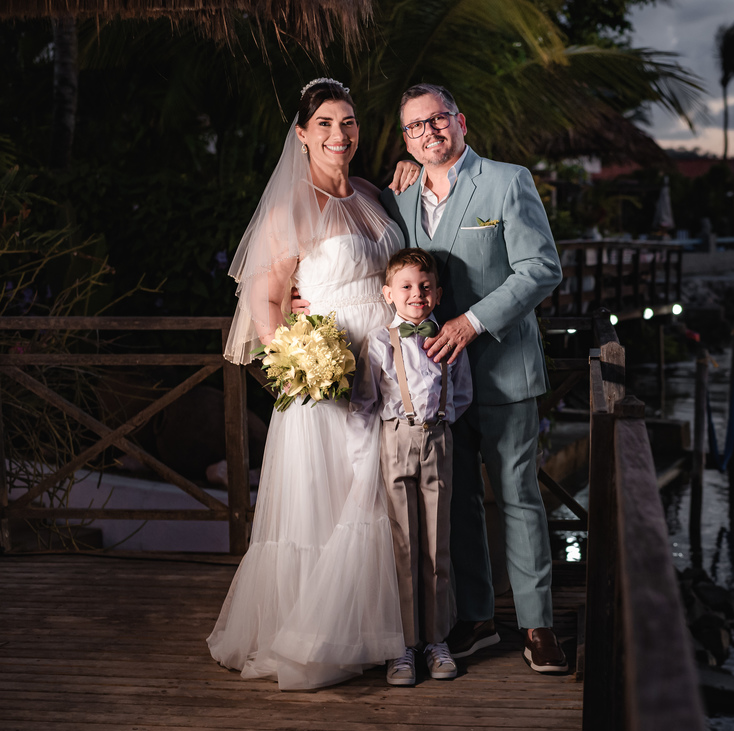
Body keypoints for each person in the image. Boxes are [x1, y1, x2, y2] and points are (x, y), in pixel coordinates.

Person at [208, 78, 418, 690]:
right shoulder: (289, 207)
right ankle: (318, 633)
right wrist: (305, 367)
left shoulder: (374, 196)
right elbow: (267, 306)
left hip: (387, 367)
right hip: (328, 375)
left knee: (379, 497)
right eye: (325, 123)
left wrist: (407, 168)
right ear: (302, 134)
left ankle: (378, 631)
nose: (339, 134)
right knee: (335, 503)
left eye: (348, 123)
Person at [379, 83, 568, 674]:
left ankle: (538, 626)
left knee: (519, 497)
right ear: (405, 138)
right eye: (415, 127)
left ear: (460, 121)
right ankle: (479, 618)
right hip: (432, 382)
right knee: (455, 503)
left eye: (437, 120)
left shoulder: (507, 182)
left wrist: (472, 322)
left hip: (505, 368)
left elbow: (542, 268)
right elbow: (389, 272)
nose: (428, 132)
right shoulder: (400, 199)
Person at [349, 248, 473, 686]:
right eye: (406, 287)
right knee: (402, 543)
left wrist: (439, 421)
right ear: (388, 294)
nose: (416, 294)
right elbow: (364, 401)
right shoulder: (380, 342)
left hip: (437, 439)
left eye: (425, 287)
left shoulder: (449, 339)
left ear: (437, 295)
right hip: (394, 440)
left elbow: (462, 394)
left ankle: (437, 639)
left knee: (437, 543)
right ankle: (401, 645)